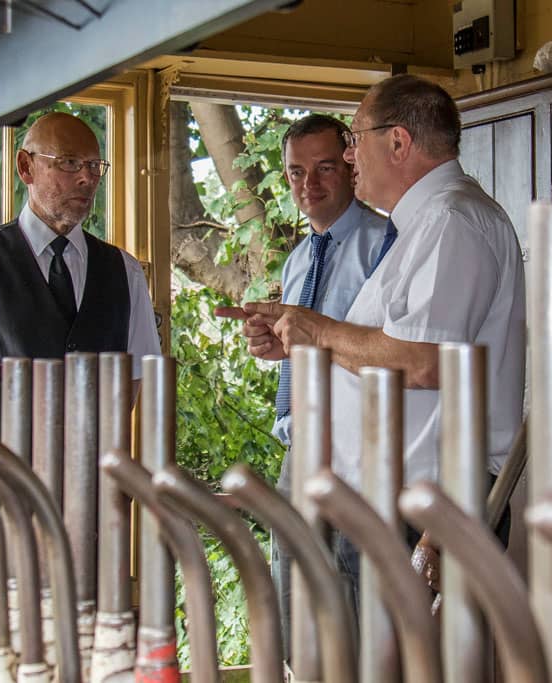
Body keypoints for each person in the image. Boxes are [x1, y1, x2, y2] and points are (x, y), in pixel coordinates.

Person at [237, 74, 526, 598]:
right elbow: (387, 345)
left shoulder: (452, 221)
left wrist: (319, 330)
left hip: (422, 510)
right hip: (379, 500)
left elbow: (423, 362)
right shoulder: (423, 225)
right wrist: (305, 343)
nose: (349, 157)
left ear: (398, 141)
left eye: (353, 139)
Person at [215, 113, 387, 658]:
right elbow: (311, 346)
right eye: (295, 172)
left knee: (357, 624)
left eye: (324, 168)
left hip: (359, 454)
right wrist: (274, 346)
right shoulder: (296, 261)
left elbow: (393, 350)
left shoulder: (387, 243)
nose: (308, 185)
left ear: (352, 164)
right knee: (296, 620)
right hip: (299, 452)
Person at [0, 112, 160, 384]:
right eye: (69, 162)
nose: (86, 178)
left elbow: (137, 377)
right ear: (25, 166)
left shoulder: (125, 271)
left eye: (93, 165)